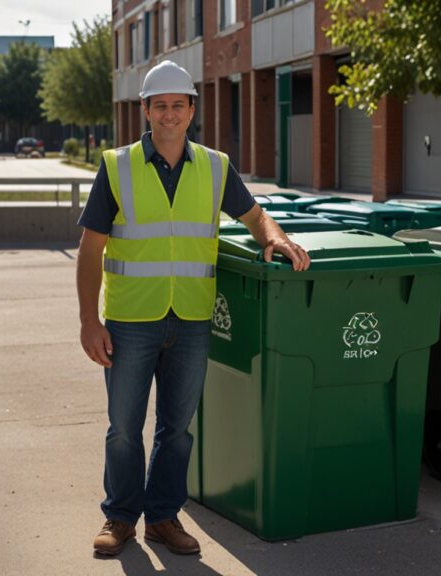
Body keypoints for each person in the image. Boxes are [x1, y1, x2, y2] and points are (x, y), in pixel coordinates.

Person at [77, 60, 310, 557]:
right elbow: (91, 248)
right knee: (123, 429)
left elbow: (254, 214)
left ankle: (162, 517)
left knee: (177, 430)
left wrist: (278, 239)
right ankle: (119, 518)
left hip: (190, 320)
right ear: (145, 110)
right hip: (130, 320)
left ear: (191, 110)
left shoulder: (215, 165)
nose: (168, 115)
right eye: (159, 106)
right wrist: (88, 321)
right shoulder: (116, 167)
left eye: (177, 106)